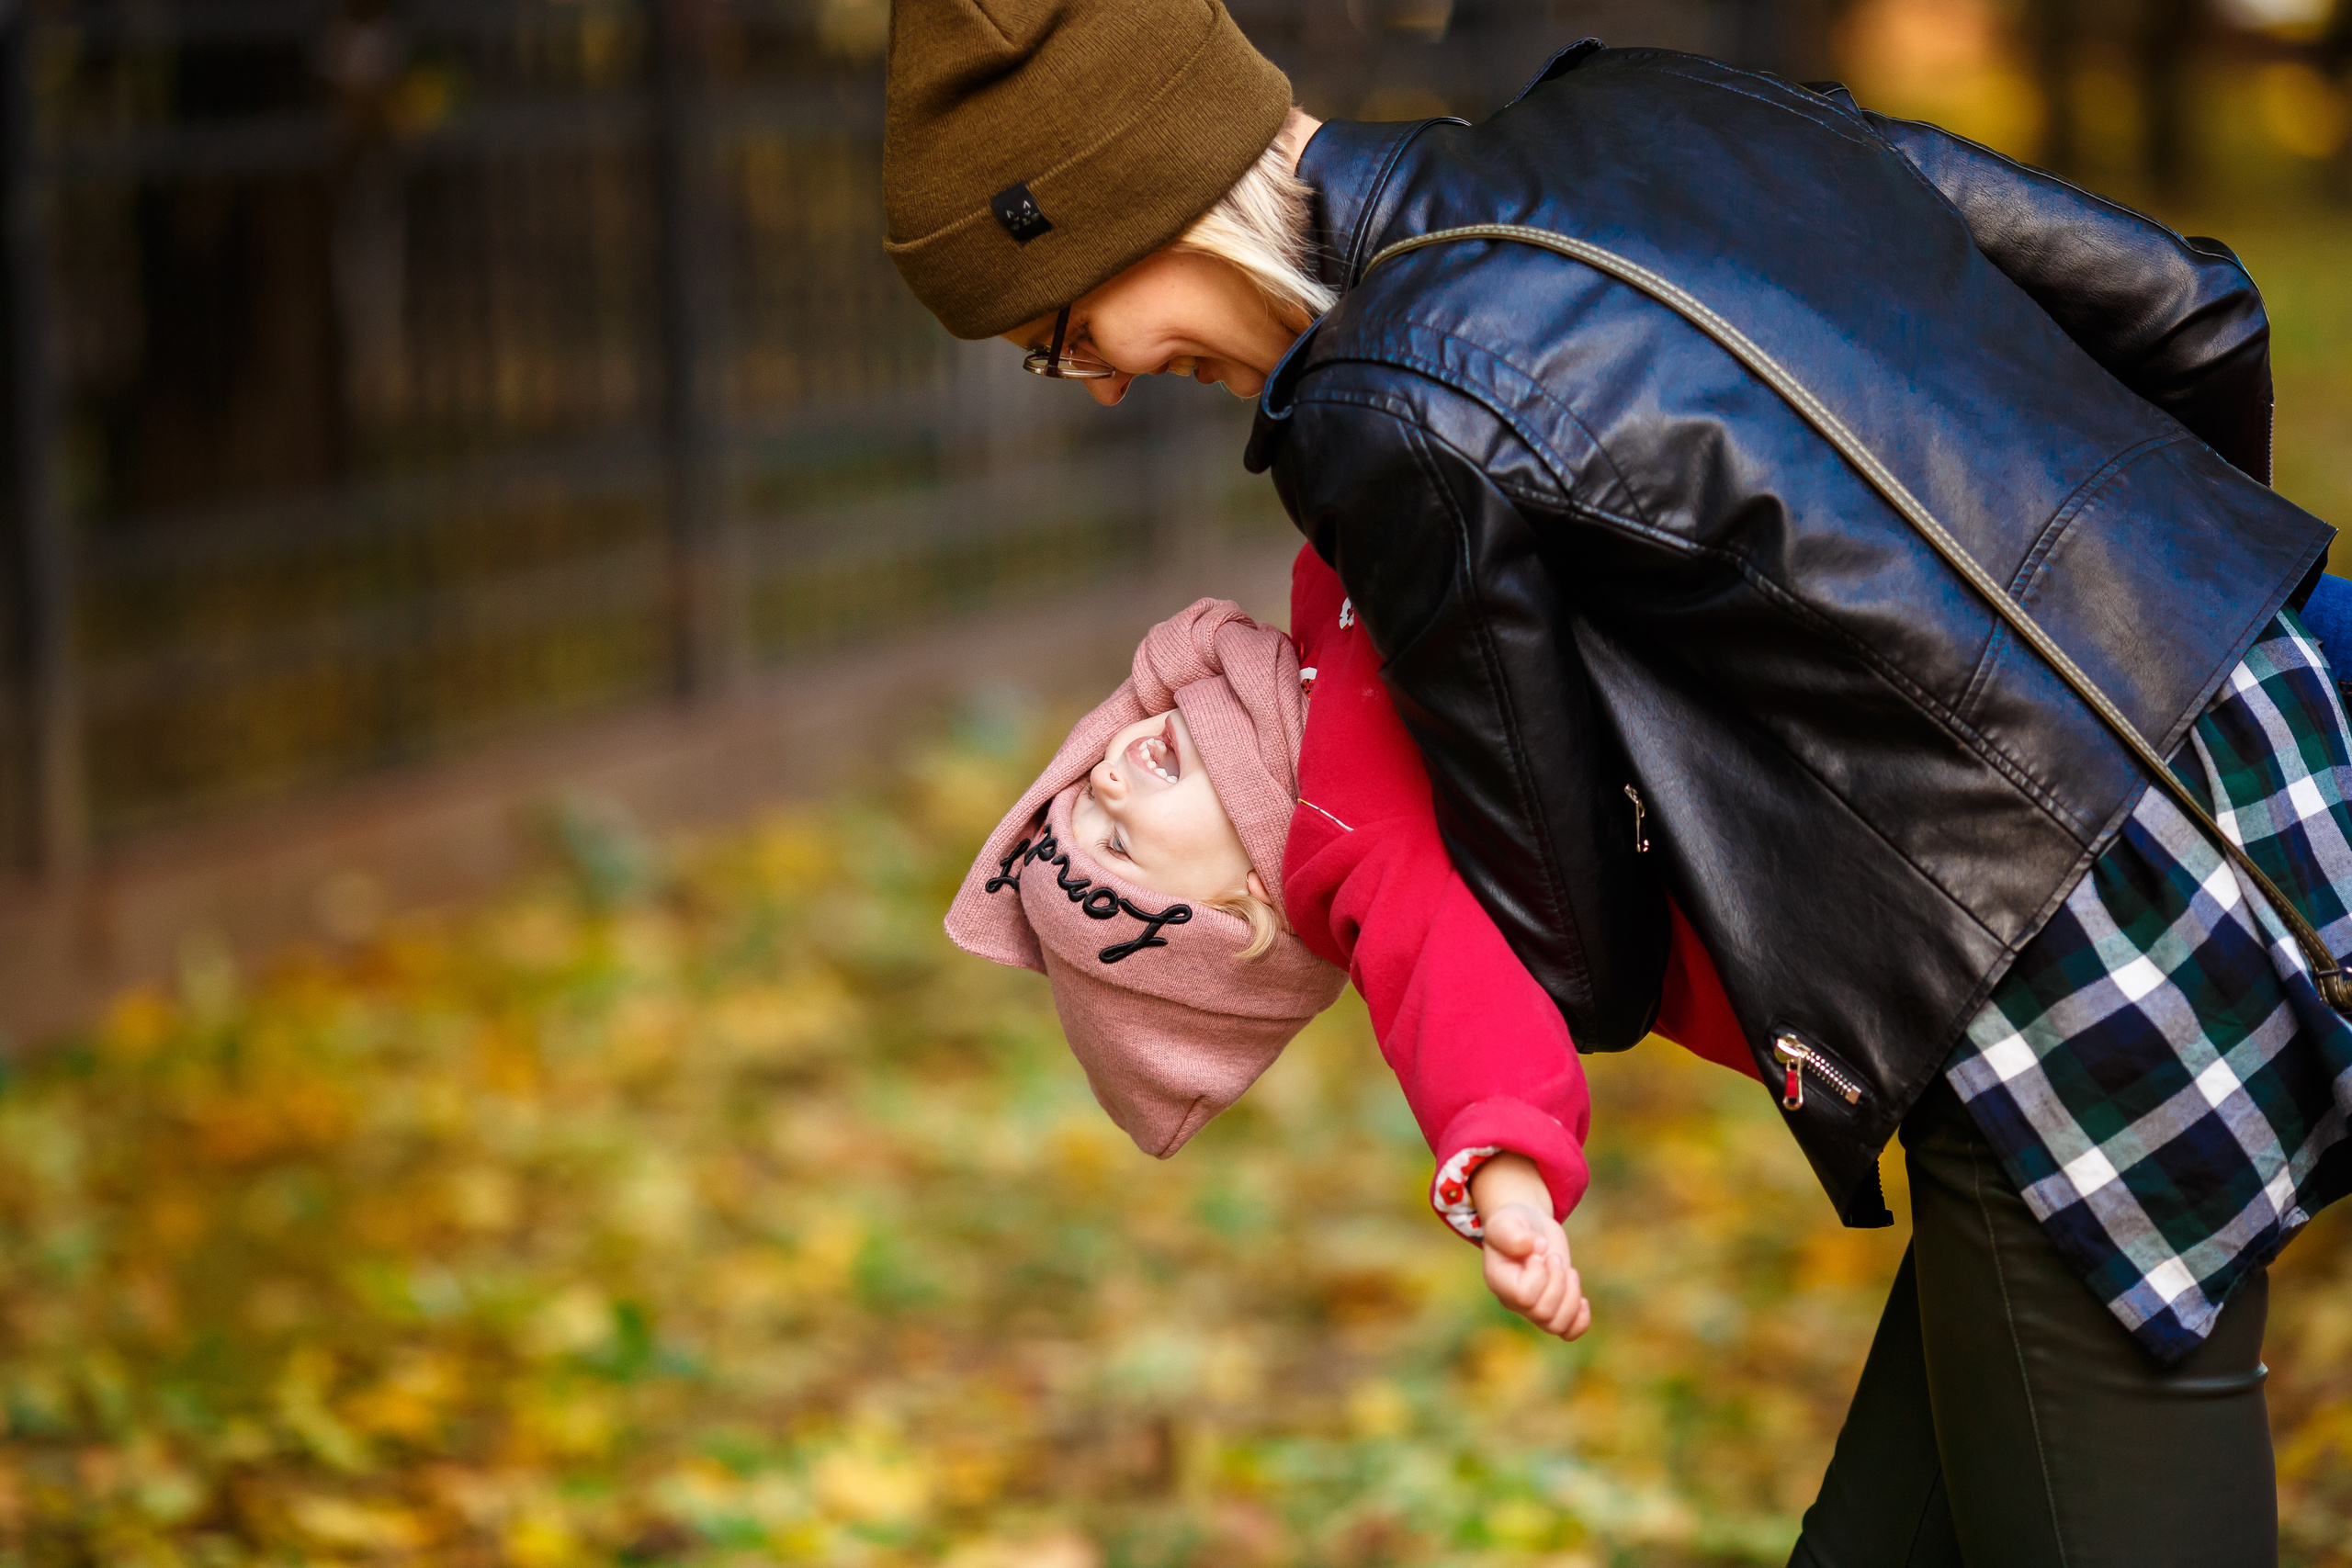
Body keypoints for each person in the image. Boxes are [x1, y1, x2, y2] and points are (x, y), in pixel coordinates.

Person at [884, 3, 2349, 1562]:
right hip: (2288, 748)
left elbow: (1571, 928)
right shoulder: (1649, 104)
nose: (1097, 382)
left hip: (2059, 963)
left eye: (1060, 333)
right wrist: (2160, 639)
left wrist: (1353, 850)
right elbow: (2194, 313)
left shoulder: (1380, 410)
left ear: (1126, 210)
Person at [944, 548, 1761, 1341]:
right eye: (1119, 846)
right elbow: (1459, 1008)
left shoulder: (1303, 656)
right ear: (1240, 909)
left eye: (1087, 795)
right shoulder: (1354, 842)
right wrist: (1512, 1199)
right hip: (1773, 879)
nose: (1109, 783)